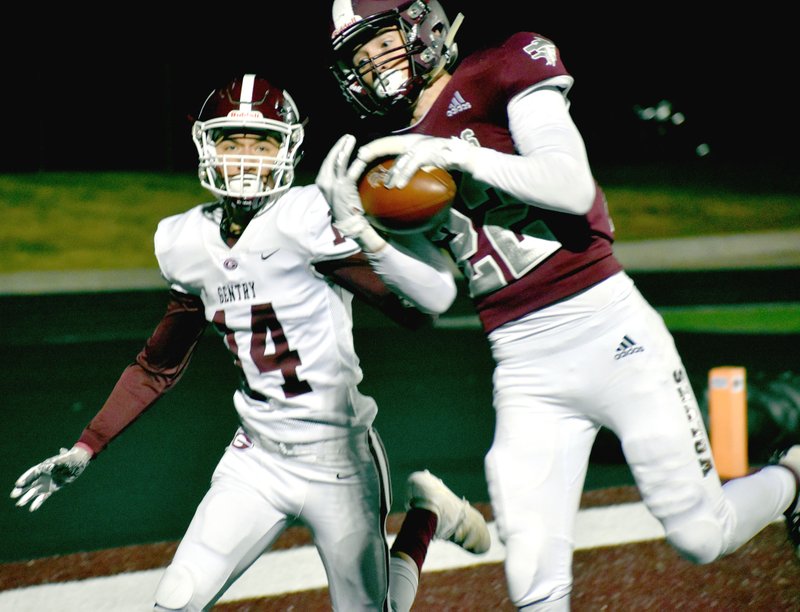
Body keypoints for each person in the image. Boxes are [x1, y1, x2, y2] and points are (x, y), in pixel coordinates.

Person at [316, 2, 800, 609]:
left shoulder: (500, 70)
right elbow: (438, 291)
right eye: (357, 58)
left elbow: (570, 185)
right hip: (522, 363)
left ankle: (794, 478)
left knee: (704, 534)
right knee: (534, 586)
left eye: (378, 44)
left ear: (421, 28)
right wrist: (362, 233)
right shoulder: (390, 156)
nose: (370, 66)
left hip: (608, 327)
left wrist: (462, 155)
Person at [10, 73, 490, 611]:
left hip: (340, 462)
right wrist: (86, 445)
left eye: (260, 142)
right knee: (175, 599)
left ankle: (427, 517)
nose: (243, 157)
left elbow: (414, 314)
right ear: (204, 145)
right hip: (257, 460)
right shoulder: (186, 240)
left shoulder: (309, 216)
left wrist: (374, 238)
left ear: (286, 148)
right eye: (230, 141)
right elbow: (156, 366)